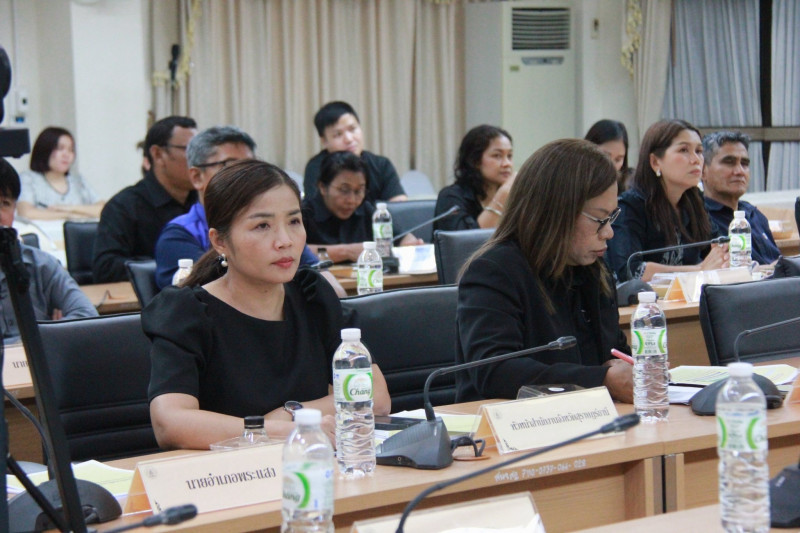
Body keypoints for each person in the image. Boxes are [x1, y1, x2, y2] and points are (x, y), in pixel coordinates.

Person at [143, 159, 391, 449]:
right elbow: (171, 423)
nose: (285, 241)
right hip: (228, 472)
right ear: (220, 241)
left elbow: (376, 397)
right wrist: (285, 430)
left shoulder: (313, 296)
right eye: (262, 226)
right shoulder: (187, 312)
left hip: (312, 464)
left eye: (294, 221)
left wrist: (291, 413)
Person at [455, 139, 632, 404]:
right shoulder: (493, 271)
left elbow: (615, 353)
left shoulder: (593, 270)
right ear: (557, 212)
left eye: (612, 217)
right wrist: (602, 379)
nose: (609, 232)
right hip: (507, 422)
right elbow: (495, 371)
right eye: (600, 219)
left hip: (587, 415)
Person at [154, 126, 345, 295]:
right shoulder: (178, 236)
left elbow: (330, 288)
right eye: (230, 167)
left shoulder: (282, 232)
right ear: (197, 177)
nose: (246, 179)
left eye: (250, 167)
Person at [606, 119, 729, 282]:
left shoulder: (695, 201)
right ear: (655, 162)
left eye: (699, 151)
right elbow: (631, 270)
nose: (696, 160)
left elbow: (718, 251)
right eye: (684, 150)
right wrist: (699, 270)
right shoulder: (630, 206)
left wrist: (723, 257)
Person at [0, 158, 97, 345]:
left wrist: (49, 333)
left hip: (37, 362)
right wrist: (51, 333)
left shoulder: (41, 264)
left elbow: (87, 318)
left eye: (5, 203)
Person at [92, 116, 198, 283]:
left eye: (201, 150)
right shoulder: (124, 206)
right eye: (190, 150)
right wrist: (165, 264)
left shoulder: (204, 201)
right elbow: (106, 269)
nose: (199, 159)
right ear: (158, 154)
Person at [302, 151, 421, 263]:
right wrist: (346, 252)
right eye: (344, 190)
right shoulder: (303, 212)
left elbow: (403, 238)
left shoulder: (367, 210)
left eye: (359, 191)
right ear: (323, 187)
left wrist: (411, 245)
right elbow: (297, 251)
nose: (352, 200)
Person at [303, 101, 407, 203]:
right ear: (324, 141)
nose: (349, 139)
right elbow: (314, 210)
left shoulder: (381, 165)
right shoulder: (317, 168)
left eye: (352, 129)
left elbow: (400, 206)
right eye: (338, 134)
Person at [702, 130, 780, 265]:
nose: (739, 171)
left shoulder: (754, 214)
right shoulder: (699, 219)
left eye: (744, 163)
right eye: (729, 162)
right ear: (703, 171)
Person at [434, 125, 514, 232]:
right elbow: (466, 240)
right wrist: (502, 196)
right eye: (497, 156)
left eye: (509, 156)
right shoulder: (450, 197)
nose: (507, 163)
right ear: (475, 161)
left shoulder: (514, 196)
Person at [17, 127, 105, 220]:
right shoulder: (28, 178)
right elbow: (26, 213)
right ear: (45, 150)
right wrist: (69, 215)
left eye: (71, 150)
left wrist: (70, 208)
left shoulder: (78, 180)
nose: (66, 155)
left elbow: (104, 209)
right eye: (60, 148)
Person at [584, 119, 633, 192]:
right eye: (605, 157)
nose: (612, 166)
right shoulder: (572, 182)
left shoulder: (630, 187)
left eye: (618, 160)